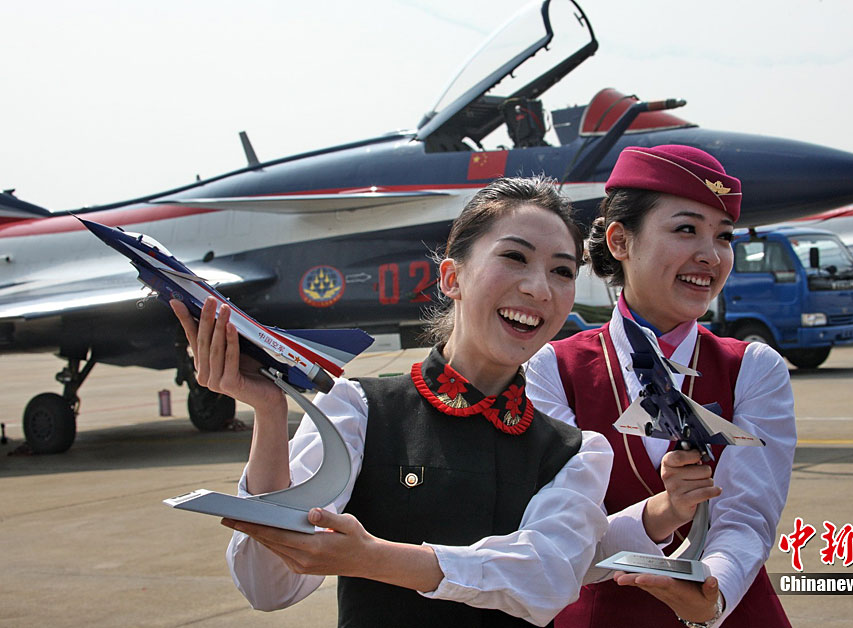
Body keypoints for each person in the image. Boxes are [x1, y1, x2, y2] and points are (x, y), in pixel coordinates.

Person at [171, 176, 664, 627]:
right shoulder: (359, 409)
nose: (539, 288)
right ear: (451, 277)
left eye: (562, 271)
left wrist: (375, 558)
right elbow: (269, 586)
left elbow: (546, 577)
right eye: (515, 257)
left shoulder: (576, 452)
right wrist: (269, 412)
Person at [526, 145, 796, 628]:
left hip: (730, 609)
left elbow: (746, 516)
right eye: (686, 229)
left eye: (724, 236)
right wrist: (662, 513)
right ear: (620, 241)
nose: (710, 255)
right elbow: (560, 533)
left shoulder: (754, 367)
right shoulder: (554, 369)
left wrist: (711, 593)